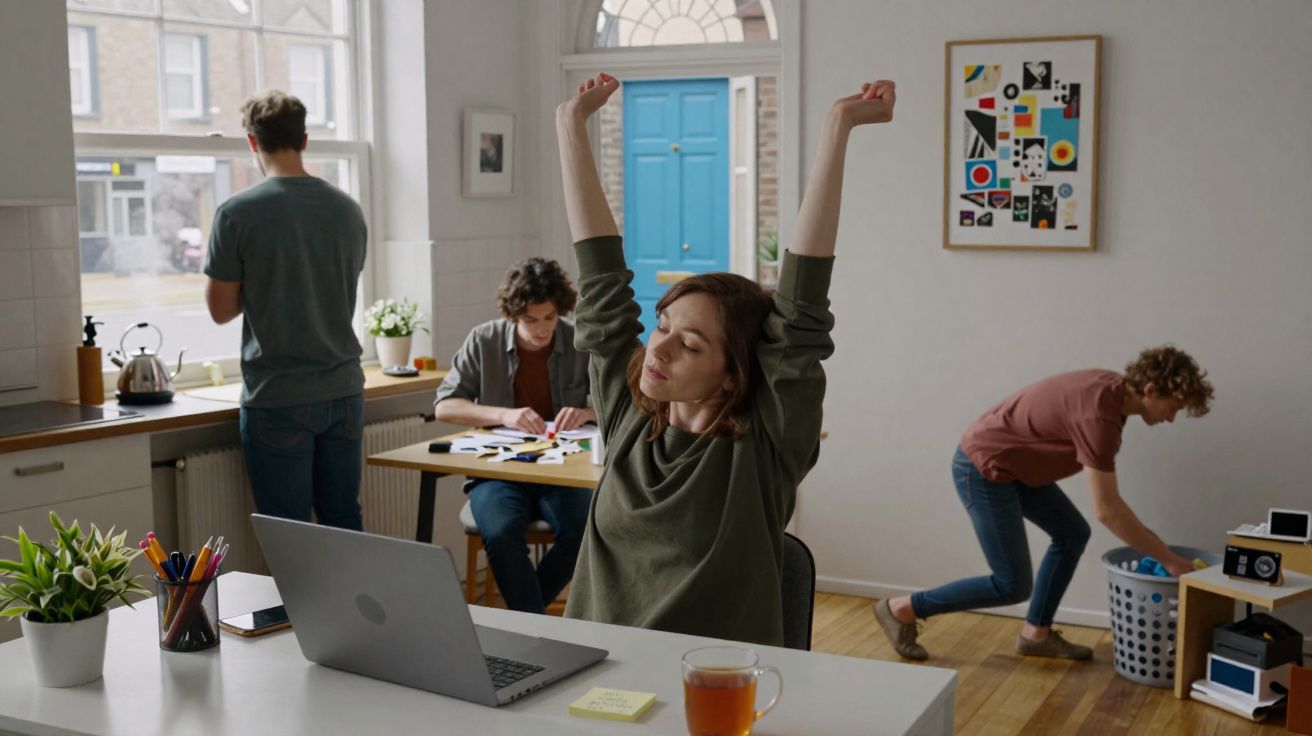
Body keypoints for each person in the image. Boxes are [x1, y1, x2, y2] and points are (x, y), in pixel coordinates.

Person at [554, 72, 895, 646]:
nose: (656, 350)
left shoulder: (765, 447)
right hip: (590, 681)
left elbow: (802, 307)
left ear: (733, 373)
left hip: (711, 697)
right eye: (661, 326)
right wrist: (571, 124)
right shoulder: (627, 408)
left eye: (688, 344)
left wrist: (839, 127)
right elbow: (600, 278)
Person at [874, 346, 1215, 661]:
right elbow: (1108, 510)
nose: (1172, 418)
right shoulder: (1099, 419)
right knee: (1011, 585)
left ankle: (1035, 634)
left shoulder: (1111, 389)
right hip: (983, 467)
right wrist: (1167, 558)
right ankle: (902, 608)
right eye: (1174, 407)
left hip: (1014, 468)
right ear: (1152, 390)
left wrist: (1159, 551)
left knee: (1071, 533)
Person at [205, 90, 368, 530]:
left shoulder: (237, 214)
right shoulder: (347, 211)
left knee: (288, 532)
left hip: (279, 397)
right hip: (343, 389)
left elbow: (220, 310)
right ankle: (349, 604)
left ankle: (293, 606)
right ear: (305, 140)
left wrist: (262, 285)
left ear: (252, 142)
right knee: (342, 519)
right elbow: (336, 287)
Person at [433, 257, 594, 614]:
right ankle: (533, 621)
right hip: (498, 471)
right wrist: (503, 414)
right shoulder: (484, 339)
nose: (542, 329)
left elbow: (619, 402)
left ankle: (525, 619)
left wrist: (586, 412)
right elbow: (445, 406)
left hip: (562, 471)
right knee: (502, 532)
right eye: (531, 320)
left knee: (587, 532)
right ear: (513, 314)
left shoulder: (577, 342)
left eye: (550, 318)